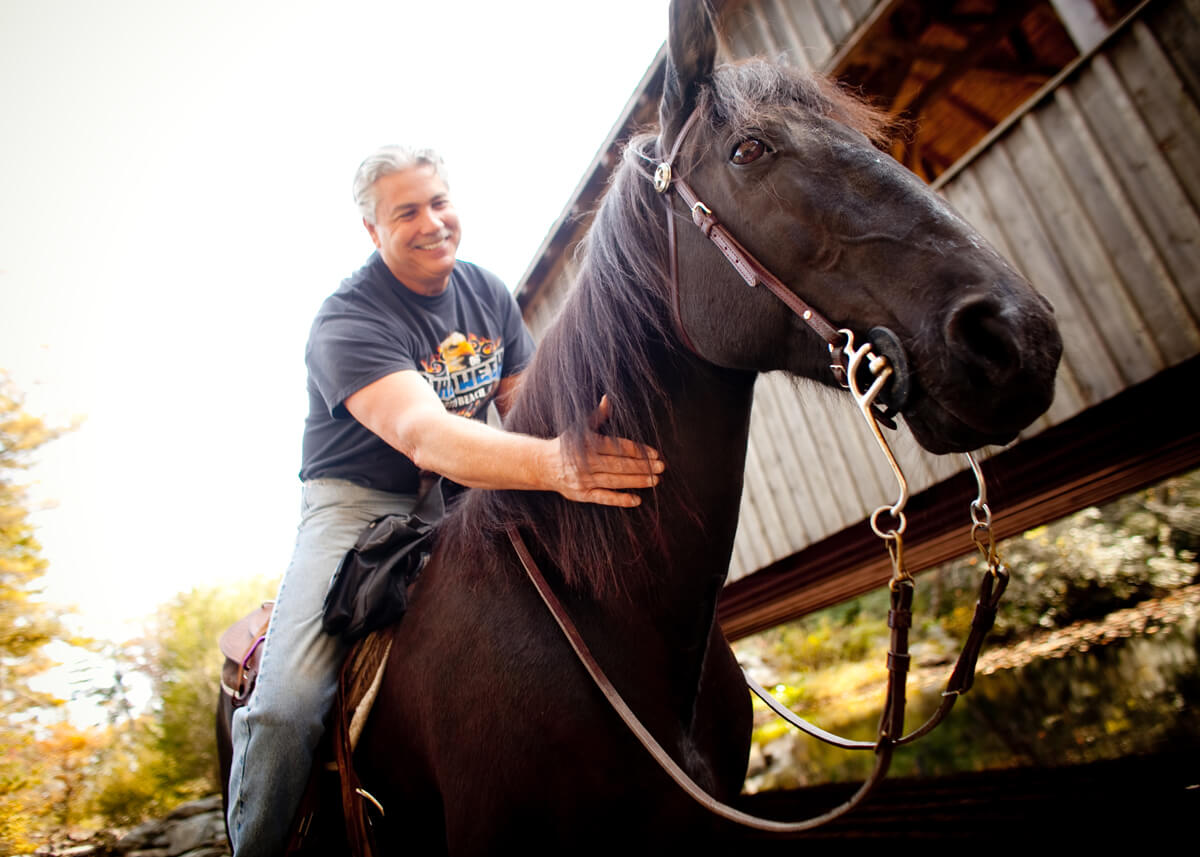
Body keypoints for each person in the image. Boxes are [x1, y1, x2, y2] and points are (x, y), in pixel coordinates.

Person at [224, 145, 665, 856]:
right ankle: (256, 844)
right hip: (355, 506)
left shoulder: (486, 291)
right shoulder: (346, 320)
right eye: (407, 212)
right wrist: (557, 464)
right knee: (286, 704)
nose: (432, 222)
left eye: (439, 202)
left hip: (463, 498)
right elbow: (425, 435)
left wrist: (599, 421)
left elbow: (527, 410)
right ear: (373, 231)